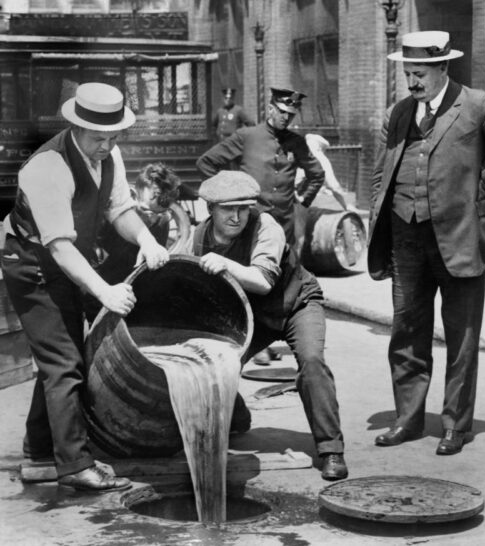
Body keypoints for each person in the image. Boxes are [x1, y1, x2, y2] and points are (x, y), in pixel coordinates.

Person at [368, 31, 485, 455]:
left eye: (420, 73)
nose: (413, 81)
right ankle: (407, 420)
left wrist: (482, 188)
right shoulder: (398, 113)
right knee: (406, 331)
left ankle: (455, 425)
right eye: (408, 73)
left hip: (460, 237)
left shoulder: (480, 104)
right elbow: (381, 171)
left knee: (462, 337)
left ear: (443, 67)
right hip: (406, 237)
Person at [0, 82, 170, 492]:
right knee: (63, 363)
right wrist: (104, 292)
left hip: (61, 261)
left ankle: (40, 457)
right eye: (99, 138)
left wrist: (146, 239)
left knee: (66, 357)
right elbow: (59, 248)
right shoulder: (46, 168)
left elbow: (119, 208)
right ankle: (74, 466)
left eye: (114, 137)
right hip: (30, 264)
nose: (107, 145)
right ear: (76, 127)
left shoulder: (107, 153)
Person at [190, 170, 348, 481]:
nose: (237, 217)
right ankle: (236, 417)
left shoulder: (266, 226)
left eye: (243, 208)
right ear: (211, 209)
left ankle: (331, 449)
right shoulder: (199, 236)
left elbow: (262, 281)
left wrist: (226, 263)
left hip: (297, 303)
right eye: (227, 209)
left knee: (312, 363)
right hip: (255, 315)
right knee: (219, 361)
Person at [196, 87, 325, 252]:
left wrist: (304, 201)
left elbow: (317, 175)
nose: (286, 118)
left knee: (285, 271)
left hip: (284, 224)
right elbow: (205, 163)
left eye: (291, 114)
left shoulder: (297, 143)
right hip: (250, 223)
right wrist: (226, 196)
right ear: (270, 109)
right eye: (282, 112)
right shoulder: (247, 136)